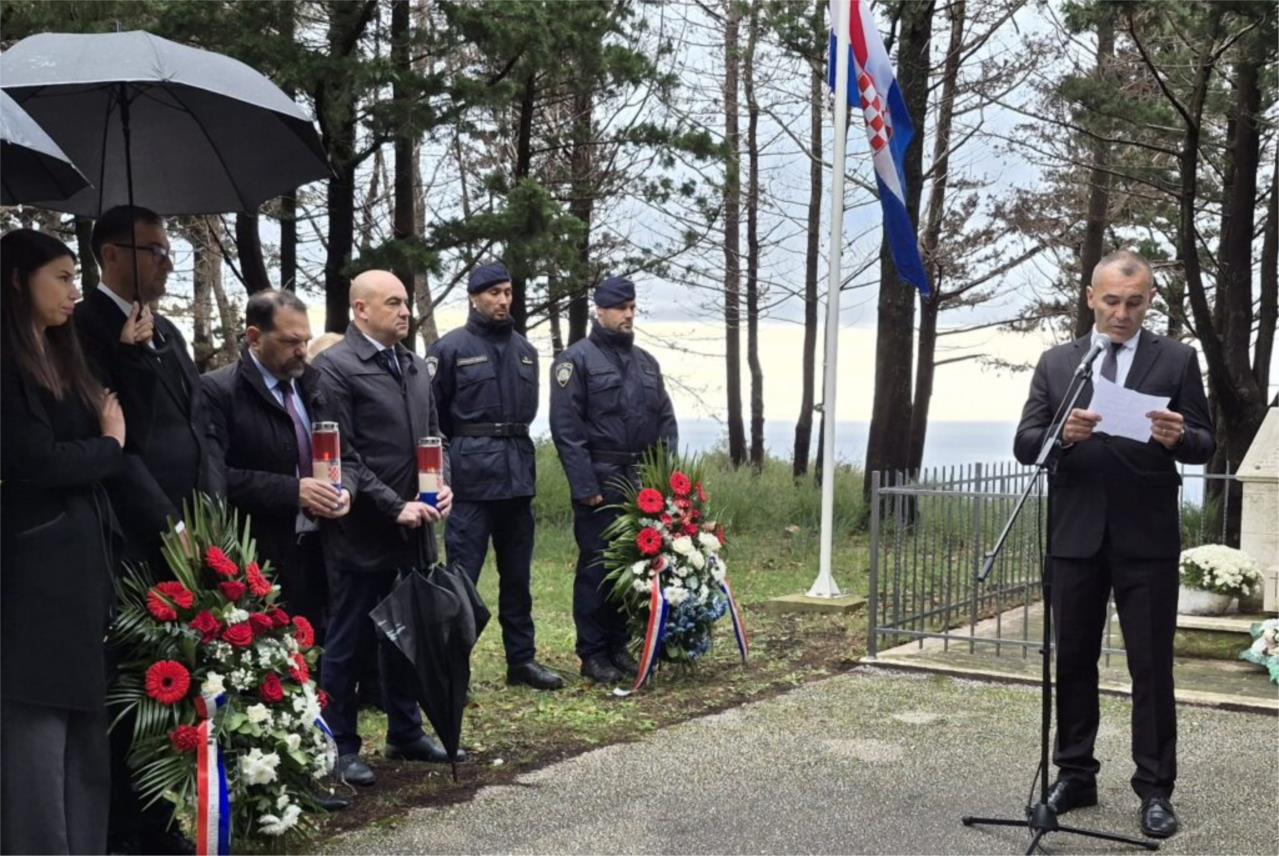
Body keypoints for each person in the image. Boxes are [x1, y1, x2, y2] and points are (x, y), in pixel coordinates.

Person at [1013, 250, 1214, 839]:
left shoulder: (1177, 359)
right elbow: (1027, 443)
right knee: (1072, 660)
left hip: (1146, 538)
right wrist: (1062, 433)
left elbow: (1205, 441)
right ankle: (1075, 775)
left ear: (1149, 300)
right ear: (1091, 298)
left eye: (1135, 302)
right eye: (1112, 301)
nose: (1123, 313)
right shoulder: (1058, 362)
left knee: (1151, 668)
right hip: (1074, 536)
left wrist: (1180, 436)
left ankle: (1155, 790)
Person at [75, 205, 213, 854]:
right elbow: (118, 446)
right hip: (137, 537)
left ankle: (167, 812)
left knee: (180, 679)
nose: (166, 260)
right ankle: (132, 827)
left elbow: (193, 425)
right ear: (112, 255)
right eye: (153, 249)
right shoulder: (85, 328)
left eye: (168, 249)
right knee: (139, 689)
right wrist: (170, 524)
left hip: (191, 529)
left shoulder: (168, 331)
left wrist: (208, 511)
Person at [1, 230, 126, 854]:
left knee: (85, 734)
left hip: (82, 568)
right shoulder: (7, 361)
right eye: (63, 277)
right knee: (37, 738)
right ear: (19, 279)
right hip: (31, 572)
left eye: (78, 277)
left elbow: (114, 419)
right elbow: (35, 460)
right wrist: (106, 447)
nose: (75, 292)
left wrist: (132, 358)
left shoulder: (63, 352)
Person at [312, 269, 460, 787]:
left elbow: (435, 437)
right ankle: (339, 743)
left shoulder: (415, 366)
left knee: (408, 635)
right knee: (349, 639)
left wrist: (442, 484)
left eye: (406, 303)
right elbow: (342, 454)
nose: (405, 311)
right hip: (362, 531)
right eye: (393, 303)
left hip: (415, 528)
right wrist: (391, 504)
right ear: (361, 310)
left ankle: (406, 730)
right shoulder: (336, 368)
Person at [427, 263, 564, 691]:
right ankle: (455, 670)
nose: (503, 300)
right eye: (493, 293)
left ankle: (521, 661)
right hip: (469, 482)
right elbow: (434, 418)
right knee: (462, 579)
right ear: (474, 297)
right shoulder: (449, 349)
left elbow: (528, 413)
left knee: (518, 578)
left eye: (507, 292)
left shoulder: (526, 350)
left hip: (517, 477)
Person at [201, 290, 351, 648]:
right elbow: (213, 477)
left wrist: (347, 490)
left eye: (306, 340)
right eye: (290, 341)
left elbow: (351, 456)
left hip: (323, 546)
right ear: (254, 337)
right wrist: (293, 490)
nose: (301, 350)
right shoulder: (218, 391)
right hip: (260, 554)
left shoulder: (315, 385)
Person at [549, 276, 678, 684]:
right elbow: (567, 430)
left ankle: (619, 644)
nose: (628, 315)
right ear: (600, 311)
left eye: (633, 307)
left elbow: (665, 421)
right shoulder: (576, 361)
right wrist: (585, 487)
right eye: (621, 308)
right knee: (596, 568)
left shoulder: (645, 362)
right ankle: (592, 652)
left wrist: (663, 478)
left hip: (641, 481)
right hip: (601, 480)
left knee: (634, 567)